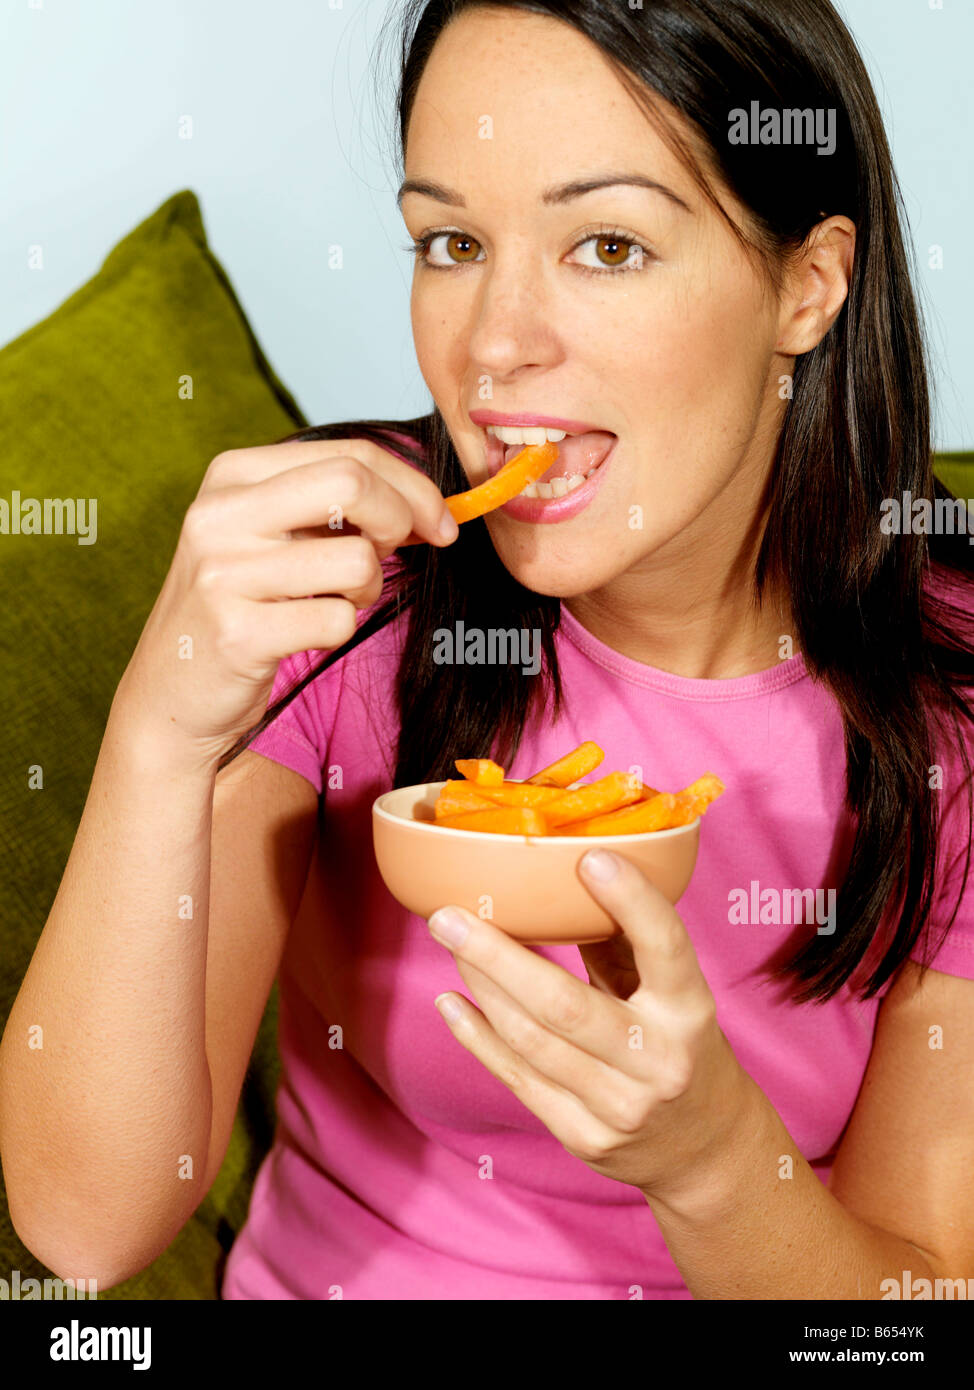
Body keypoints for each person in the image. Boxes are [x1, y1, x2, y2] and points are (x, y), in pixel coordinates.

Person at [3, 0, 974, 1301]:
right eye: (451, 241)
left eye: (608, 245)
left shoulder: (948, 703)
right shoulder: (348, 584)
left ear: (807, 284)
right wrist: (158, 732)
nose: (494, 345)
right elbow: (84, 1226)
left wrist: (713, 1166)